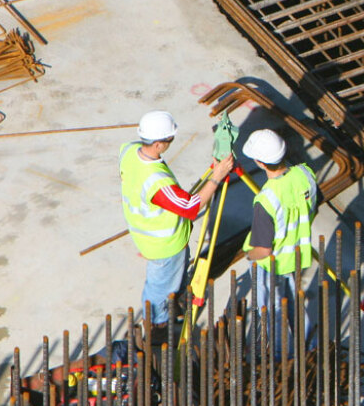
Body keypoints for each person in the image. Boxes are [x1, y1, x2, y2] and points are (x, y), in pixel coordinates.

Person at [119, 111, 234, 328]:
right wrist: (217, 176)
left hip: (147, 232)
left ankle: (176, 299)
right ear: (159, 145)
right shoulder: (156, 180)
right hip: (165, 246)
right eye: (170, 140)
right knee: (159, 288)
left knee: (171, 279)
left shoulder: (128, 150)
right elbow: (191, 207)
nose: (171, 143)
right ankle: (158, 324)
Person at [240, 129, 319, 352]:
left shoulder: (267, 198)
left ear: (260, 162)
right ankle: (309, 346)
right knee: (293, 302)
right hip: (296, 254)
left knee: (270, 312)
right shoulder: (305, 174)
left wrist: (249, 254)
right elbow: (312, 208)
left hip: (270, 263)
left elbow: (263, 250)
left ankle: (274, 357)